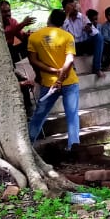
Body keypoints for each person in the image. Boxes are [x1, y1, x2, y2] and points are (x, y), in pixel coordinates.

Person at [26, 8, 81, 152]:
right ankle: (73, 145)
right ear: (63, 22)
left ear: (49, 18)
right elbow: (69, 62)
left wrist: (52, 72)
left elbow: (33, 60)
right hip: (69, 81)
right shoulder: (68, 36)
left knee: (39, 115)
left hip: (48, 83)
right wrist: (61, 77)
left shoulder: (34, 37)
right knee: (72, 115)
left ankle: (27, 145)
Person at [62, 0, 105, 75]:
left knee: (99, 37)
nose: (74, 8)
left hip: (84, 45)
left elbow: (95, 32)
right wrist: (67, 14)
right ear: (66, 9)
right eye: (71, 7)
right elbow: (63, 32)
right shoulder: (63, 19)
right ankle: (71, 69)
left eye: (74, 6)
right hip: (71, 48)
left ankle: (97, 68)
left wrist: (90, 30)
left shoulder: (82, 17)